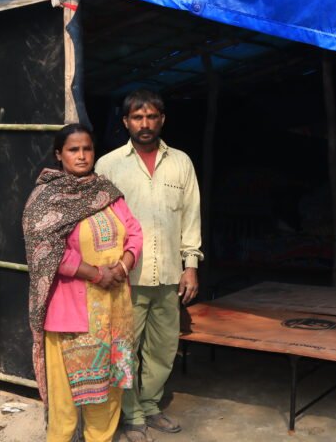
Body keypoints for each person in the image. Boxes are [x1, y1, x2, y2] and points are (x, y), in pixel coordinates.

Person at [23, 124, 144, 442]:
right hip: (70, 313)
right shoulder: (46, 199)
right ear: (59, 154)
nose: (81, 155)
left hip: (113, 310)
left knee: (108, 390)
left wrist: (123, 266)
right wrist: (95, 273)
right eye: (73, 150)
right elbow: (45, 250)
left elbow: (134, 231)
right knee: (64, 400)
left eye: (87, 149)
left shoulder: (106, 192)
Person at [95, 89, 202, 442]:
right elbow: (99, 222)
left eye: (152, 116)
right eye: (138, 117)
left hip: (169, 274)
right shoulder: (108, 165)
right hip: (126, 277)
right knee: (126, 349)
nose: (145, 124)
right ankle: (132, 415)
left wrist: (190, 265)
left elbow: (190, 217)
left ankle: (151, 405)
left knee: (163, 348)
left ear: (162, 120)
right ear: (126, 122)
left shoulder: (181, 163)